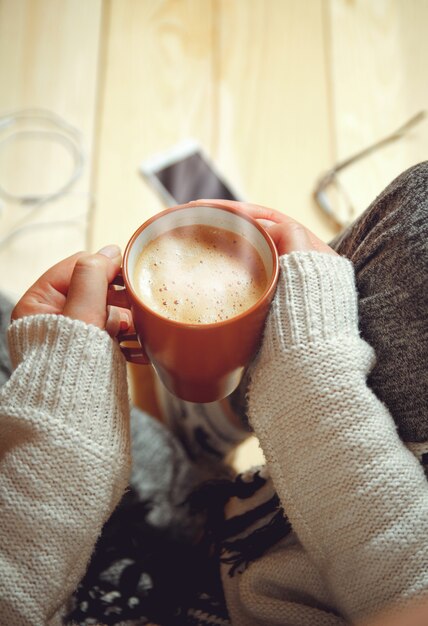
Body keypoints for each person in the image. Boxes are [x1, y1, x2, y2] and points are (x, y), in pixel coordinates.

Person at [0, 162, 427, 626]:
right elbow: (405, 581)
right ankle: (209, 429)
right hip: (250, 530)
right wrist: (312, 379)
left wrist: (58, 437)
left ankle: (203, 430)